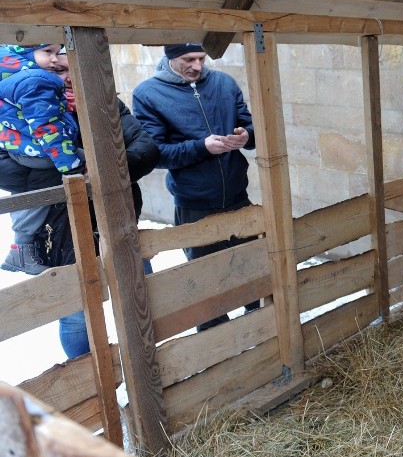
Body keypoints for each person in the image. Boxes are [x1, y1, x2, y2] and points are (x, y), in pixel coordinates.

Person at [33, 51, 160, 358]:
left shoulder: (106, 105)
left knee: (145, 299)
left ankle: (151, 368)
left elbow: (147, 149)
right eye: (58, 70)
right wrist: (80, 161)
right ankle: (89, 384)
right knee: (79, 317)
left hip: (120, 221)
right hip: (64, 232)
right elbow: (14, 172)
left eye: (71, 70)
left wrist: (100, 168)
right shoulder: (26, 113)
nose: (66, 77)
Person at [132, 43, 259, 331]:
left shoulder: (224, 83)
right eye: (188, 59)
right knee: (206, 288)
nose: (198, 66)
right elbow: (156, 153)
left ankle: (262, 336)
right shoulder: (148, 94)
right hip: (194, 206)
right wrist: (201, 147)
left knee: (255, 273)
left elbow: (251, 127)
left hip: (239, 198)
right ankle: (217, 351)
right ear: (169, 57)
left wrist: (245, 135)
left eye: (202, 58)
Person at [0, 43, 80, 274]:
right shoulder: (34, 81)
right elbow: (47, 127)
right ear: (24, 53)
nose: (54, 59)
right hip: (39, 151)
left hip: (23, 148)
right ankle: (23, 247)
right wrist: (70, 165)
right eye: (48, 52)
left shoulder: (17, 78)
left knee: (30, 194)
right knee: (39, 193)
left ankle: (21, 247)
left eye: (56, 53)